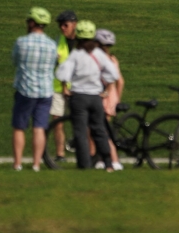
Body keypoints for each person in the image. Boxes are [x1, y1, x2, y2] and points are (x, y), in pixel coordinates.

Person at [54, 20, 120, 171]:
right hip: (95, 97)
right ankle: (108, 163)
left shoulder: (76, 54)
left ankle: (84, 165)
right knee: (99, 130)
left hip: (79, 97)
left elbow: (61, 72)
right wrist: (106, 89)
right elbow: (113, 73)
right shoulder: (99, 54)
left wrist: (66, 86)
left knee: (81, 132)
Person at [10, 7, 57, 172]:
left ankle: (17, 164)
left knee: (20, 127)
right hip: (45, 90)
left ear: (31, 23)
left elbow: (14, 61)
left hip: (25, 89)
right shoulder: (52, 45)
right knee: (39, 127)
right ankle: (36, 164)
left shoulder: (22, 42)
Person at [50, 10, 78, 162]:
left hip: (77, 89)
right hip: (58, 88)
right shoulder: (57, 40)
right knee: (57, 121)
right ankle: (60, 154)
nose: (62, 28)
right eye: (60, 25)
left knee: (79, 122)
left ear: (75, 25)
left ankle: (82, 150)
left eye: (65, 25)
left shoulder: (82, 42)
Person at [96, 29, 125, 170]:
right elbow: (121, 82)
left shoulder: (101, 61)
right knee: (102, 130)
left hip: (103, 98)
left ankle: (114, 160)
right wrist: (117, 99)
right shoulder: (113, 59)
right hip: (112, 98)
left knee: (102, 132)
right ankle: (102, 159)